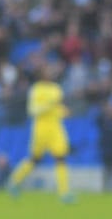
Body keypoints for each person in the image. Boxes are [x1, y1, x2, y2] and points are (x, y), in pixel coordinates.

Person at [6, 63, 74, 203]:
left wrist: (64, 112)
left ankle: (64, 193)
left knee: (60, 157)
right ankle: (13, 181)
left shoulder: (57, 89)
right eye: (47, 70)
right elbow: (33, 110)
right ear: (41, 74)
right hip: (41, 128)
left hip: (56, 127)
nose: (50, 73)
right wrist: (49, 105)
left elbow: (57, 107)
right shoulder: (36, 89)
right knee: (35, 159)